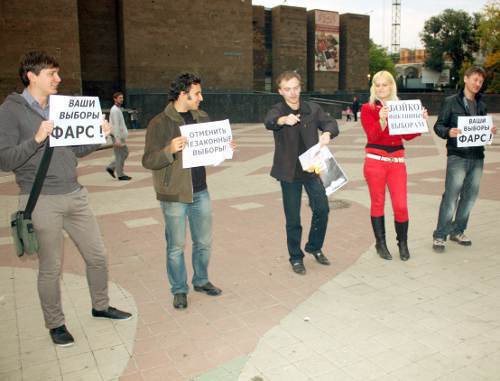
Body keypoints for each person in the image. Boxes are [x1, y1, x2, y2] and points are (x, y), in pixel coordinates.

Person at [0, 51, 132, 347]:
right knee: (51, 268)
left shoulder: (63, 106)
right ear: (31, 76)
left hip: (75, 194)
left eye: (58, 73)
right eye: (52, 74)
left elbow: (75, 150)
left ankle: (101, 306)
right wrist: (35, 139)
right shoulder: (11, 111)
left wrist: (99, 135)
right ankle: (55, 324)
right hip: (41, 200)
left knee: (97, 256)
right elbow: (5, 160)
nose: (58, 79)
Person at [142, 73, 230, 309]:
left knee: (203, 242)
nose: (201, 98)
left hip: (200, 191)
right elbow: (149, 160)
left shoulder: (202, 117)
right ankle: (179, 289)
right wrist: (169, 149)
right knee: (176, 246)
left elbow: (209, 154)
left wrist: (223, 148)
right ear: (183, 94)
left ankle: (201, 280)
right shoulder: (159, 123)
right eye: (197, 94)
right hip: (174, 195)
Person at [264, 71, 339, 275]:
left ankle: (314, 247)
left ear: (300, 87)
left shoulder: (312, 109)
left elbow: (331, 123)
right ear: (280, 91)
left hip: (311, 168)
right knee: (293, 218)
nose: (293, 93)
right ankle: (296, 257)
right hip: (288, 173)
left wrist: (327, 133)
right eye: (287, 89)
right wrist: (282, 120)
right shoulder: (277, 109)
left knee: (322, 208)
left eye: (296, 88)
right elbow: (269, 121)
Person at [361, 70, 427, 261]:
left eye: (385, 84)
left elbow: (407, 135)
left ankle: (403, 243)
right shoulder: (368, 108)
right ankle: (380, 244)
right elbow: (372, 136)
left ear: (391, 86)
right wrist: (381, 118)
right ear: (374, 87)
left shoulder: (400, 107)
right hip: (375, 161)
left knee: (401, 206)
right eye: (378, 85)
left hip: (397, 162)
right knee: (378, 203)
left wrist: (420, 123)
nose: (381, 88)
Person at [432, 66, 497, 252]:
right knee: (451, 196)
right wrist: (448, 132)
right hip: (457, 156)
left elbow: (481, 128)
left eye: (481, 81)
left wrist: (489, 131)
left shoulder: (482, 105)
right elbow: (439, 126)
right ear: (466, 79)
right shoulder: (450, 102)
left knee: (469, 197)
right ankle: (440, 235)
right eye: (475, 79)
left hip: (477, 157)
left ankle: (458, 230)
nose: (478, 84)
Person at [106, 91, 131, 181]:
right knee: (121, 155)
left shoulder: (117, 109)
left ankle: (111, 167)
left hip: (119, 136)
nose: (122, 99)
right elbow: (115, 125)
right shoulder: (115, 110)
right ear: (115, 99)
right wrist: (117, 139)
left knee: (123, 154)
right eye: (120, 98)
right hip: (117, 137)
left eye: (122, 98)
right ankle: (120, 174)